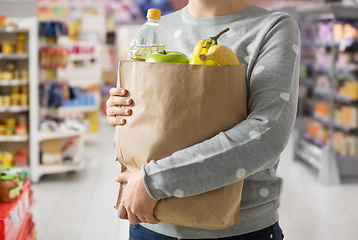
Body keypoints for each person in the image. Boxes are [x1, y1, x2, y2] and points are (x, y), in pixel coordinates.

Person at [106, 0, 300, 239]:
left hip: (238, 230)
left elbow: (267, 134)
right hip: (150, 223)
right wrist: (122, 112)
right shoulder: (155, 29)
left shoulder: (272, 28)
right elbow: (138, 132)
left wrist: (153, 181)